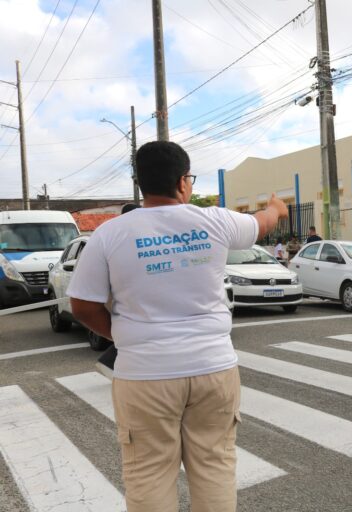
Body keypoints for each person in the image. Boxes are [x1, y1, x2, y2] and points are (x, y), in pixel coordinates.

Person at [67, 140, 289, 511]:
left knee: (148, 471)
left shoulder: (109, 234)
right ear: (183, 182)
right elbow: (263, 223)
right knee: (215, 465)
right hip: (212, 368)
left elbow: (82, 305)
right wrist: (276, 208)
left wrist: (123, 336)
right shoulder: (215, 220)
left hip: (144, 374)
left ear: (140, 183)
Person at [95, 204, 142, 379]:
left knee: (132, 332)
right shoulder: (125, 237)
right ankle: (110, 364)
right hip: (125, 295)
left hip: (118, 295)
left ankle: (111, 364)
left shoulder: (115, 235)